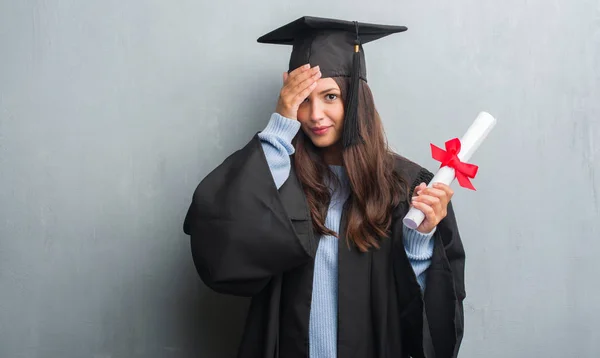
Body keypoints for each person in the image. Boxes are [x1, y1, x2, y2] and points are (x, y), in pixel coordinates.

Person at [183, 16, 465, 358]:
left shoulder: (405, 185)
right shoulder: (277, 173)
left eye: (330, 96)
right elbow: (223, 245)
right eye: (303, 100)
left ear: (356, 100)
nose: (315, 114)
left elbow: (428, 316)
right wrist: (278, 128)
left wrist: (420, 240)